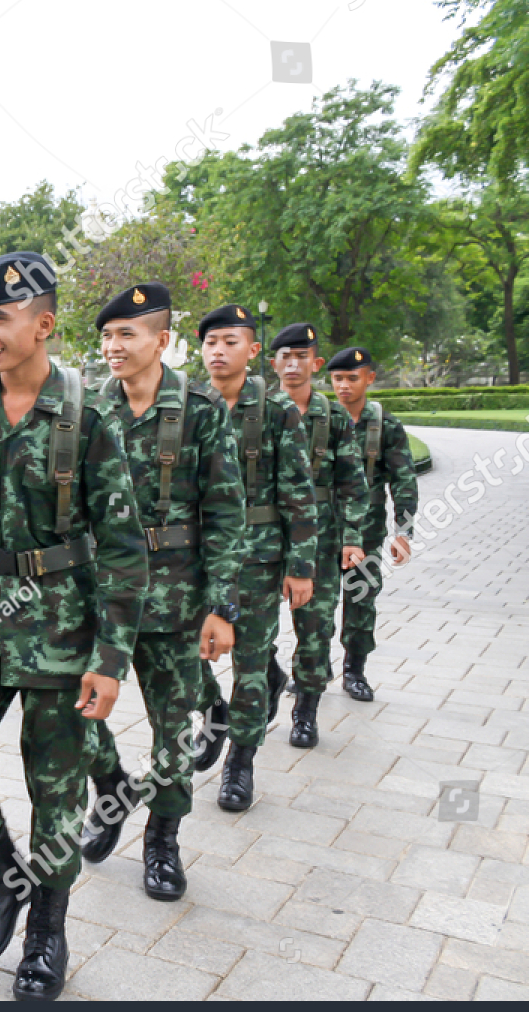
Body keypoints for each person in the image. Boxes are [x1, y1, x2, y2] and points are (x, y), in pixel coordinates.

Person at [0, 252, 146, 999]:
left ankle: (47, 931)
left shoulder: (88, 418)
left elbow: (124, 549)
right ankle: (3, 870)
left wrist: (111, 659)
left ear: (44, 323)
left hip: (63, 628)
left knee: (54, 787)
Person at [78, 283, 245, 901]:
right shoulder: (90, 409)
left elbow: (229, 515)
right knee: (78, 717)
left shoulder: (199, 410)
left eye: (127, 334)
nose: (113, 346)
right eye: (106, 335)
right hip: (102, 600)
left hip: (178, 600)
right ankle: (111, 790)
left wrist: (221, 606)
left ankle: (163, 839)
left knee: (171, 729)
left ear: (162, 341)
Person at [193, 304, 317, 812]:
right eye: (210, 343)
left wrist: (301, 564)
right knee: (183, 652)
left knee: (247, 660)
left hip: (259, 561)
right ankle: (211, 709)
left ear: (252, 349)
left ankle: (240, 761)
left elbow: (299, 491)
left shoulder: (274, 410)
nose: (218, 351)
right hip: (195, 561)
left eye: (229, 341)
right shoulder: (187, 404)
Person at [268, 324, 366, 745]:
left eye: (301, 356)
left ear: (316, 363)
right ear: (272, 363)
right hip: (262, 535)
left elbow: (353, 482)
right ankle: (270, 675)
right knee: (251, 625)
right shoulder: (258, 411)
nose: (293, 364)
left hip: (320, 539)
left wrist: (353, 535)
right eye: (285, 356)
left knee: (315, 627)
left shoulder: (334, 417)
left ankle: (305, 709)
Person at [329, 347, 418, 700]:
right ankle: (313, 669)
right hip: (319, 531)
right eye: (338, 379)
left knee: (361, 599)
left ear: (369, 378)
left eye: (352, 378)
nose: (344, 386)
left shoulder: (385, 426)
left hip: (365, 532)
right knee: (314, 606)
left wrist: (404, 532)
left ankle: (355, 670)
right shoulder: (319, 420)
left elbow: (404, 480)